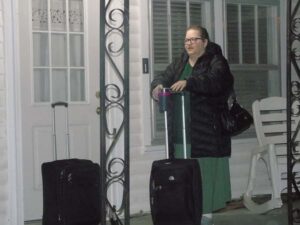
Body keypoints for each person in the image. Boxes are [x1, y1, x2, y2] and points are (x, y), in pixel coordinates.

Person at [151, 25, 234, 225]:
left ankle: (206, 213)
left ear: (205, 42)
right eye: (187, 40)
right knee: (183, 171)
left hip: (207, 130)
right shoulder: (181, 61)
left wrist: (189, 82)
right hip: (182, 129)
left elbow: (216, 82)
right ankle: (186, 209)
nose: (189, 43)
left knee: (204, 172)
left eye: (194, 39)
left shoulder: (216, 60)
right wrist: (157, 85)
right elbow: (164, 75)